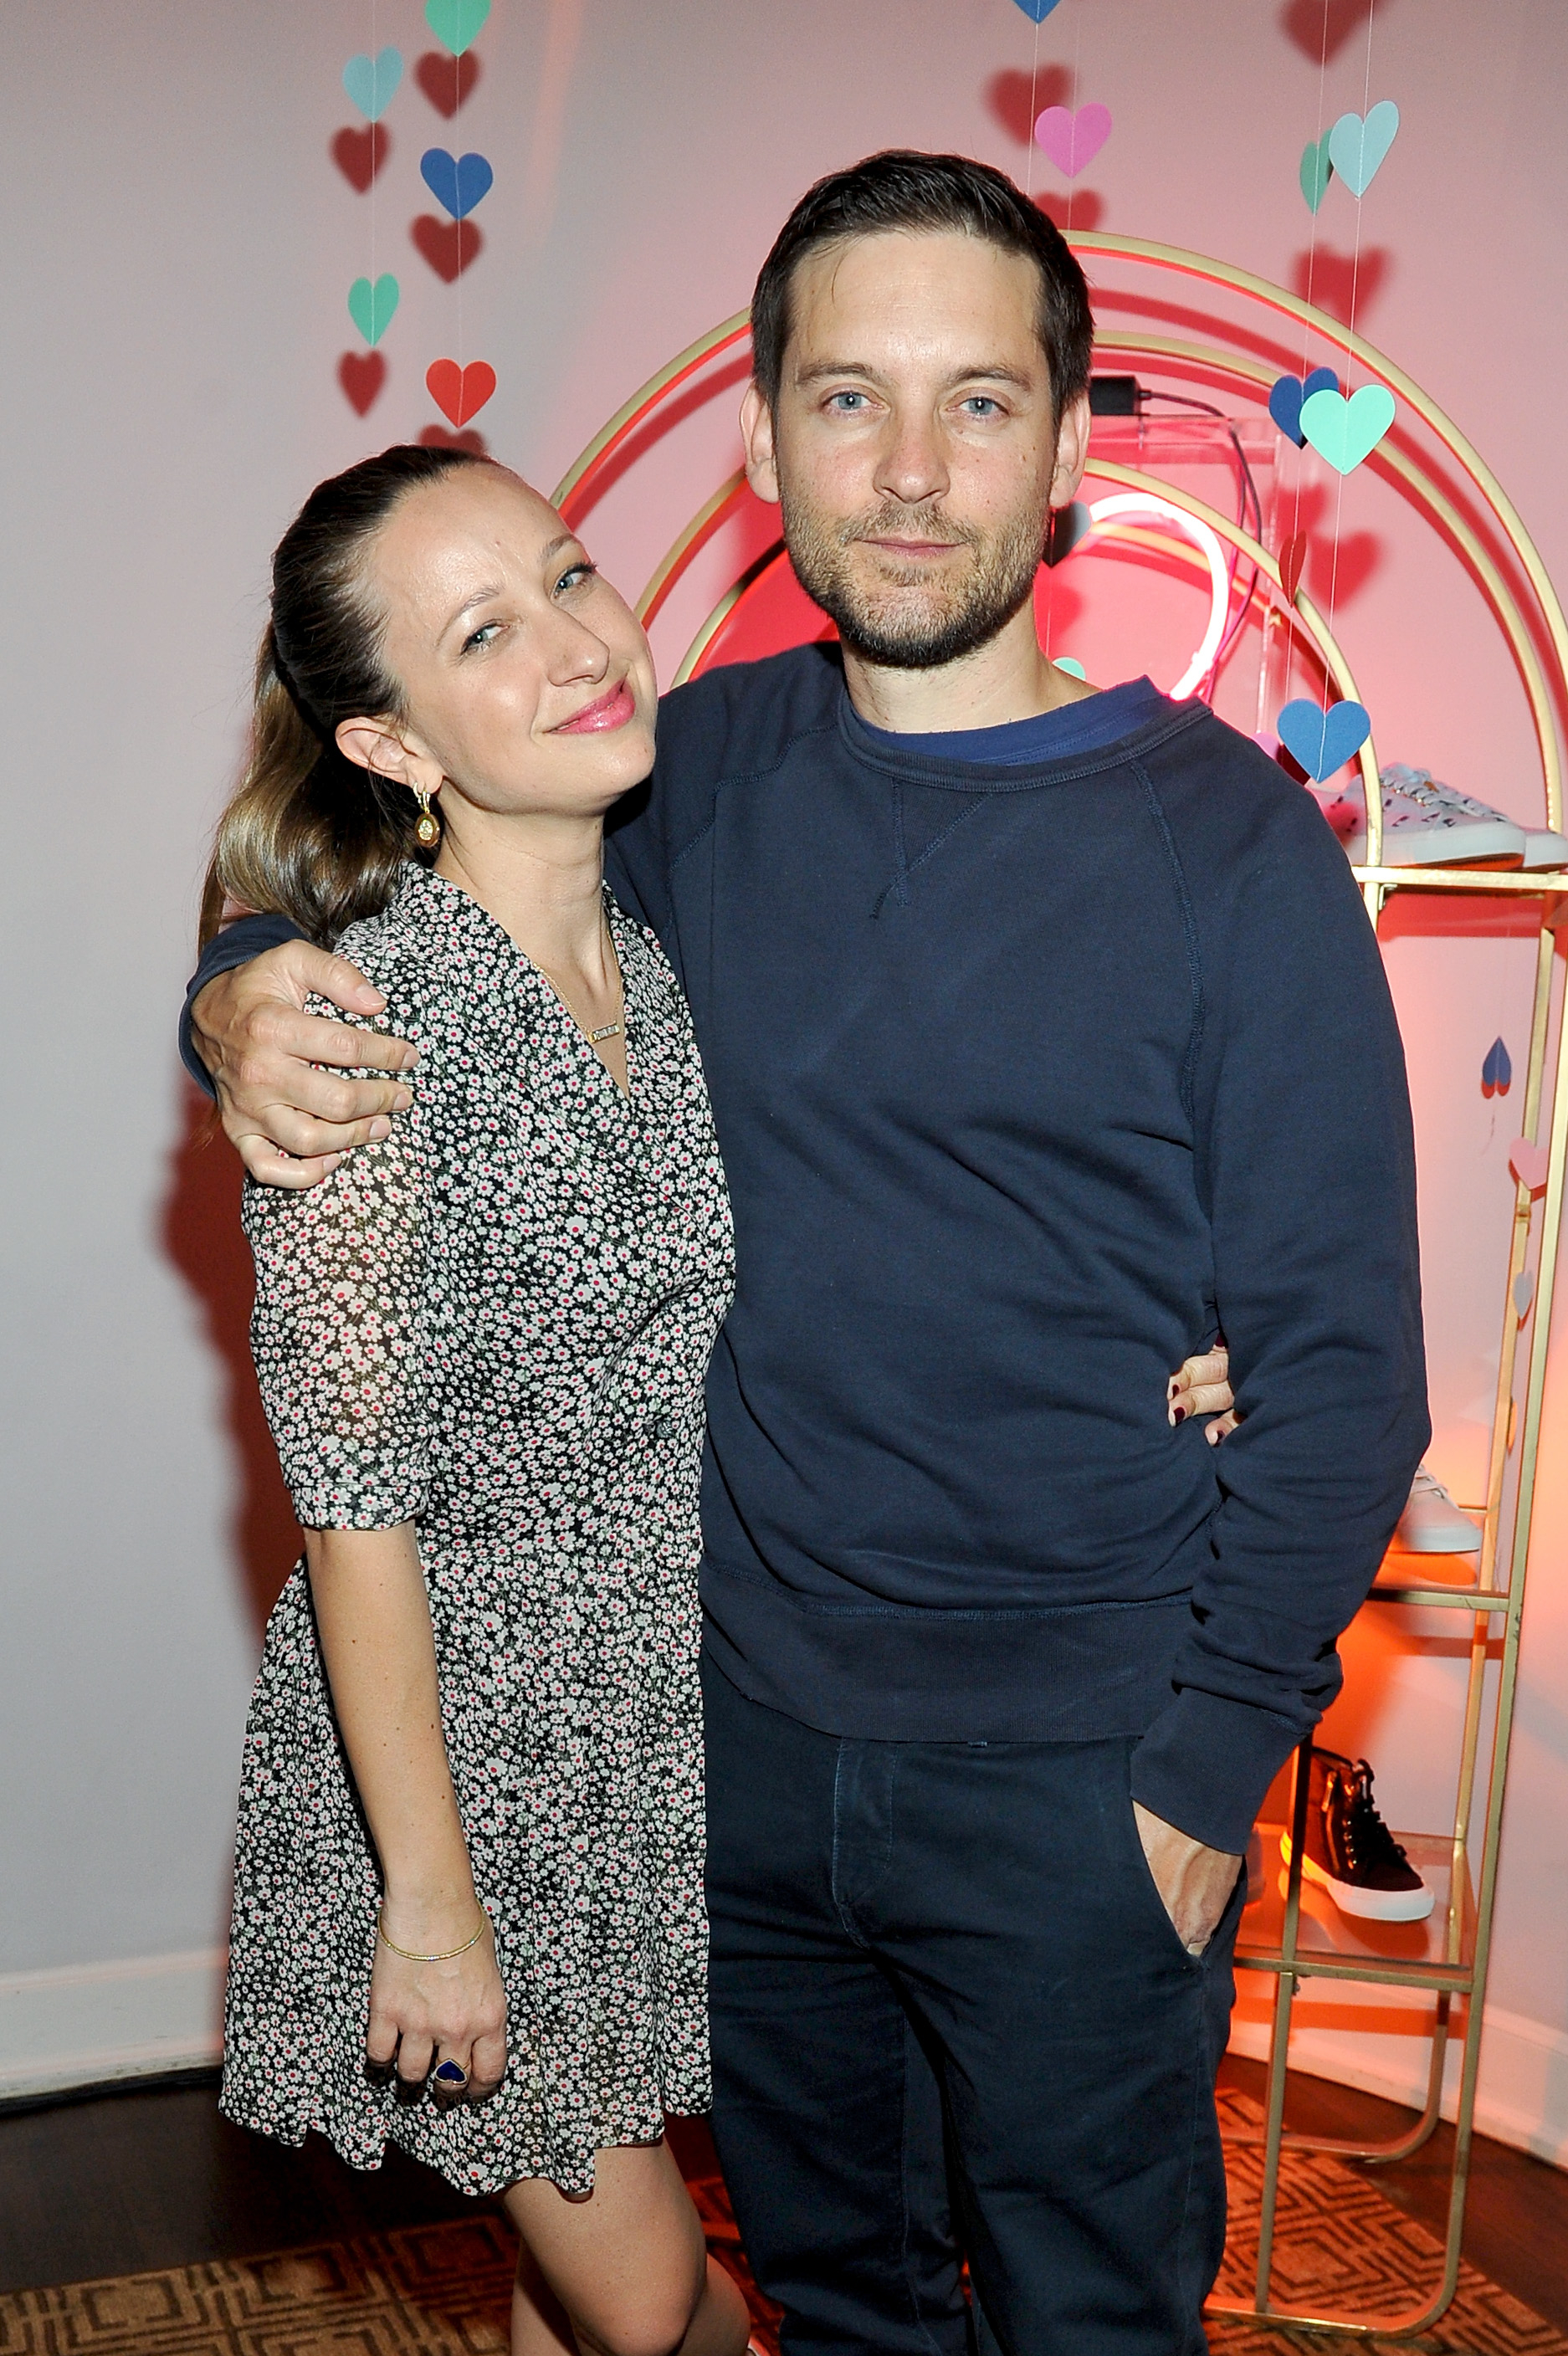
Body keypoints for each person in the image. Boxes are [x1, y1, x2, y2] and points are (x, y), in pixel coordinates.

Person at [183, 155, 1427, 2354]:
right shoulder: (689, 774)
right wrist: (237, 988)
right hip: (726, 1752)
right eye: (850, 400)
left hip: (1079, 1774)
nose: (917, 471)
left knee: (1086, 2314)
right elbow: (403, 861)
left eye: (980, 400)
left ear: (1063, 443)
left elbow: (1346, 1383)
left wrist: (1201, 1768)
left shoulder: (1229, 848)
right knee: (833, 2301)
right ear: (764, 448)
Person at [208, 442, 752, 2356]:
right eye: (484, 633)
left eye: (570, 573)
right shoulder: (362, 1032)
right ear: (394, 746)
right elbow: (353, 1509)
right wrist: (429, 1903)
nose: (578, 643)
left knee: (571, 2296)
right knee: (661, 2299)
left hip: (630, 1733)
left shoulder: (660, 971)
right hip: (451, 1767)